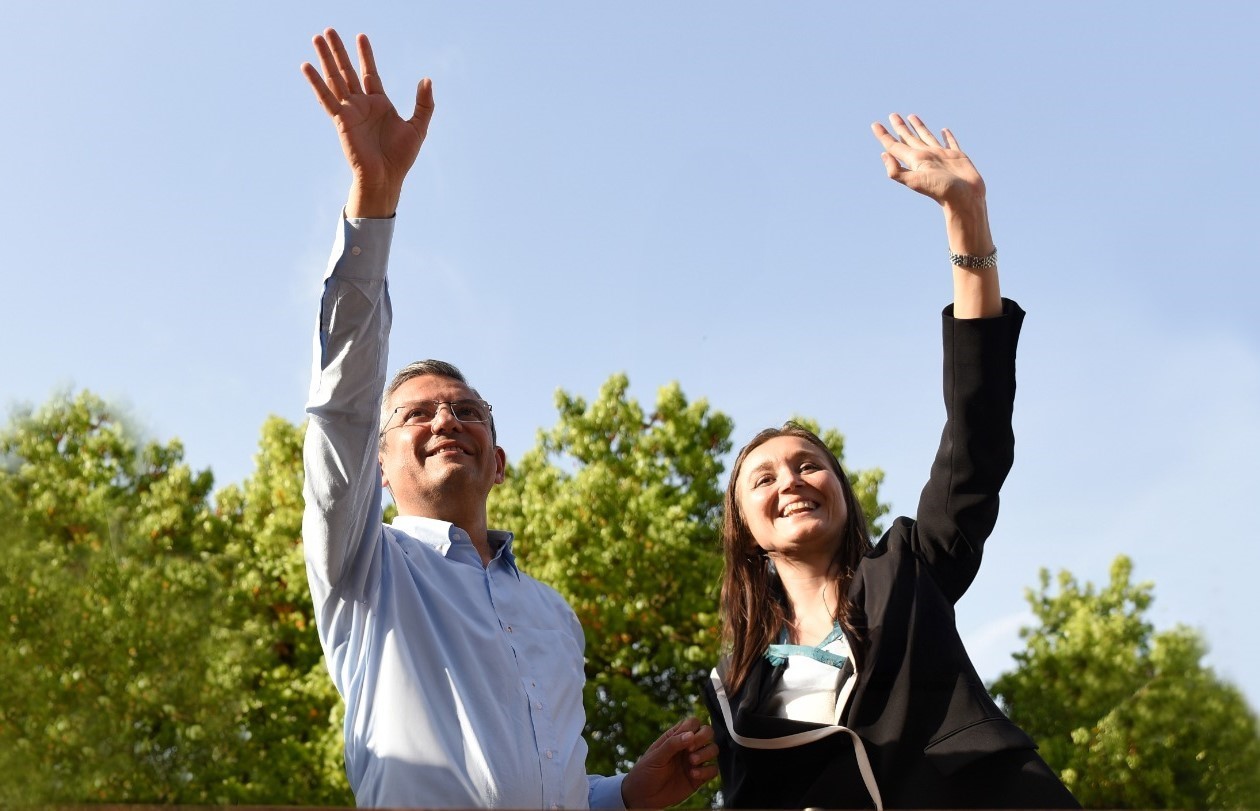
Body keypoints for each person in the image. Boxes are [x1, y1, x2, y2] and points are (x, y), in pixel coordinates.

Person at [299, 28, 717, 809]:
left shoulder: (554, 616)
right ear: (378, 465)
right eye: (415, 415)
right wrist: (375, 201)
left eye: (466, 410)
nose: (445, 419)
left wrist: (623, 793)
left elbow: (547, 790)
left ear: (499, 459)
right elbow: (343, 406)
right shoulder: (365, 568)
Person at [702, 115, 1080, 809]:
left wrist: (966, 214)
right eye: (764, 476)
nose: (790, 479)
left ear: (842, 494)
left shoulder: (909, 567)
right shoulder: (734, 684)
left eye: (809, 464)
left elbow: (977, 429)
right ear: (745, 528)